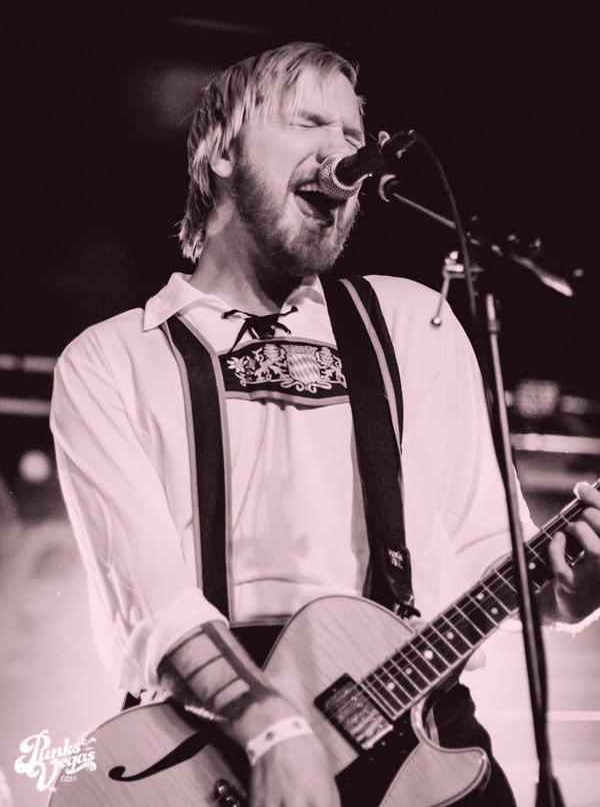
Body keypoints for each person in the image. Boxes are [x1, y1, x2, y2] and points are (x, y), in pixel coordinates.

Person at [51, 42, 600, 807]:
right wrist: (273, 731)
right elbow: (149, 600)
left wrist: (571, 591)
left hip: (424, 740)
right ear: (221, 152)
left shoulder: (414, 324)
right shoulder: (112, 359)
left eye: (353, 136)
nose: (343, 153)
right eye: (309, 122)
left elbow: (489, 555)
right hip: (209, 752)